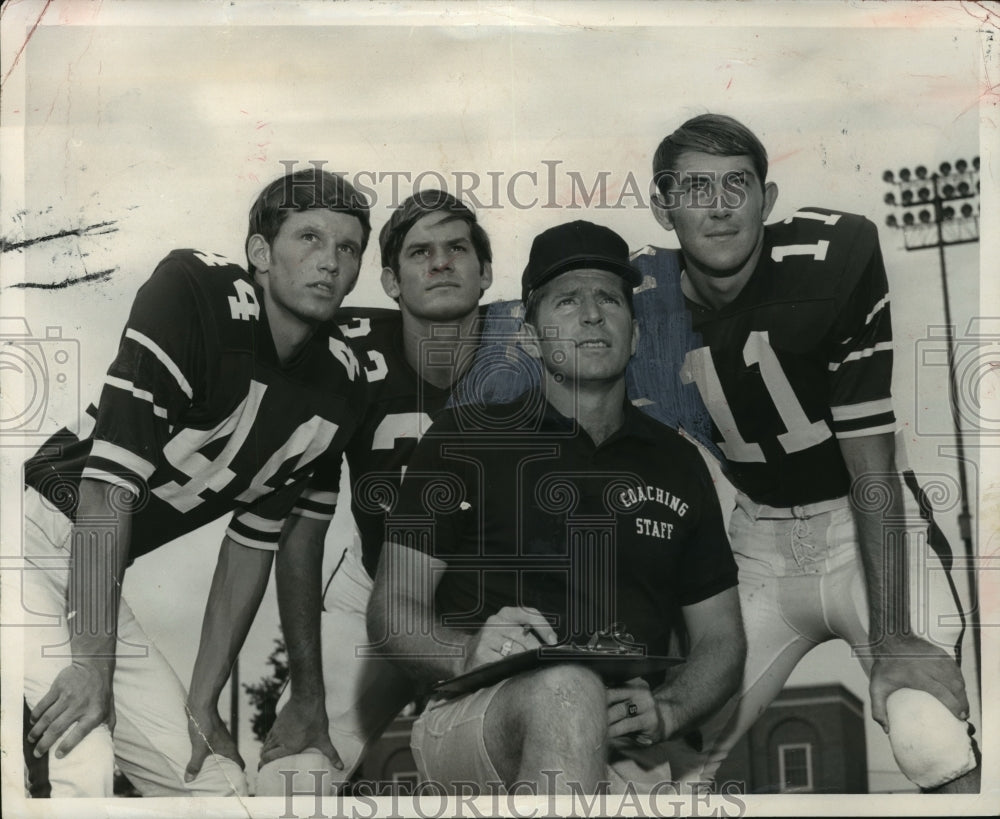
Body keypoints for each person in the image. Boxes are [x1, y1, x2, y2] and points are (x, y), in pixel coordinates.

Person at [636, 112, 978, 791]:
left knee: (925, 729)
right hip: (757, 542)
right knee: (655, 768)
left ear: (769, 197)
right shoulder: (631, 300)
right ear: (661, 205)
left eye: (739, 183)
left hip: (865, 525)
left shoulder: (833, 258)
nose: (722, 205)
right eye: (696, 187)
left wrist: (889, 637)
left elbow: (871, 471)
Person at [21, 166, 371, 797]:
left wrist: (204, 701)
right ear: (260, 253)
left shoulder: (338, 383)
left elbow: (251, 547)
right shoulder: (194, 292)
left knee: (213, 783)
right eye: (310, 239)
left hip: (94, 574)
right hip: (24, 539)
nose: (330, 262)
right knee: (81, 757)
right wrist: (92, 664)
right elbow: (104, 492)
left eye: (347, 248)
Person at [367, 219, 746, 794]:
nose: (592, 315)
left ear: (636, 332)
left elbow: (721, 638)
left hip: (624, 741)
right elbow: (392, 609)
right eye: (567, 300)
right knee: (567, 689)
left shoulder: (677, 462)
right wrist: (462, 650)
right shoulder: (464, 438)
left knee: (581, 703)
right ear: (531, 330)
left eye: (610, 300)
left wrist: (669, 708)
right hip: (477, 716)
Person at [255, 190, 529, 793]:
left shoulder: (533, 351)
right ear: (389, 281)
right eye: (419, 252)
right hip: (375, 589)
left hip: (495, 605)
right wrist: (306, 692)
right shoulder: (345, 351)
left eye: (457, 248)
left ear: (485, 272)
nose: (440, 263)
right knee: (293, 777)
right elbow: (302, 525)